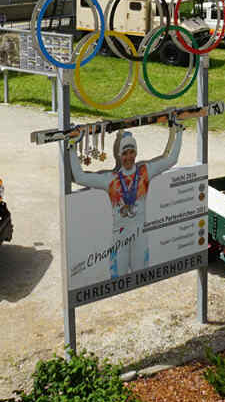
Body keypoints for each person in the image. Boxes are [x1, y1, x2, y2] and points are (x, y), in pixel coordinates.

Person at [68, 121, 186, 282]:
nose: (129, 157)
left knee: (141, 278)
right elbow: (80, 177)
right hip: (120, 238)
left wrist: (179, 132)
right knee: (118, 281)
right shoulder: (111, 179)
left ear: (136, 153)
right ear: (119, 155)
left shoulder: (145, 171)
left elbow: (172, 159)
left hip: (140, 235)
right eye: (125, 153)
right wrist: (71, 146)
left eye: (132, 152)